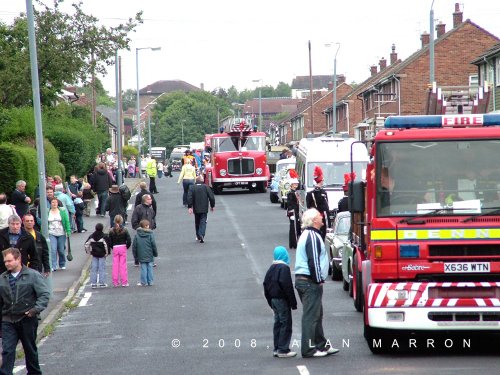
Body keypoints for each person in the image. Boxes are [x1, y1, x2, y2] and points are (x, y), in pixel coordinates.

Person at [294, 208, 339, 358]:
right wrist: (318, 279)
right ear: (314, 220)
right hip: (309, 281)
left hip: (305, 280)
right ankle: (308, 349)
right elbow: (313, 259)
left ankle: (322, 345)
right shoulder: (312, 235)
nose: (322, 218)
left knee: (316, 314)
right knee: (311, 316)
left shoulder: (308, 234)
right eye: (319, 217)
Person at [0, 247, 50, 375]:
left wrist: (35, 310)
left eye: (9, 261)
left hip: (27, 318)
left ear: (18, 259)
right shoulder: (2, 278)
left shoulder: (32, 275)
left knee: (30, 349)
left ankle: (34, 372)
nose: (7, 264)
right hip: (8, 320)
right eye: (5, 261)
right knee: (7, 350)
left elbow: (44, 294)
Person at [263, 246, 298, 358]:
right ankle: (283, 349)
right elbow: (287, 286)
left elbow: (265, 284)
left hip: (273, 299)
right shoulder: (284, 268)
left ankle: (277, 348)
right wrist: (293, 302)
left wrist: (270, 301)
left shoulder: (271, 268)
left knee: (277, 323)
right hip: (282, 299)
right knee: (286, 323)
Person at [187, 175, 215, 243]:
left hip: (196, 208)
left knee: (197, 222)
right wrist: (212, 206)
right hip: (204, 207)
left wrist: (190, 207)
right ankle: (201, 234)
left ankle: (198, 236)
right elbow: (211, 197)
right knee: (203, 221)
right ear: (202, 181)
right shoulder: (206, 187)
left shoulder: (192, 187)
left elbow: (189, 197)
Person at [48, 198, 71, 271]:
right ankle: (53, 266)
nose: (54, 204)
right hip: (51, 233)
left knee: (61, 249)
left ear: (58, 203)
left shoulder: (62, 211)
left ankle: (62, 263)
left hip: (61, 233)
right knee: (53, 249)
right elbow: (44, 223)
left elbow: (67, 221)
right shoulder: (48, 211)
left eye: (55, 202)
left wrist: (68, 231)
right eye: (52, 202)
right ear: (50, 203)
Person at [306, 166, 330, 240]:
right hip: (318, 217)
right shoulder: (316, 193)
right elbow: (325, 207)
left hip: (317, 217)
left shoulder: (312, 193)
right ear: (321, 181)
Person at [132, 219, 158, 286]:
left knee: (143, 268)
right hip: (149, 253)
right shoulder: (150, 234)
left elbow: (134, 246)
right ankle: (150, 281)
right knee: (150, 267)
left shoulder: (137, 235)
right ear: (146, 226)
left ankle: (144, 282)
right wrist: (155, 253)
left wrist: (135, 256)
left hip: (141, 254)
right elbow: (153, 245)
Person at [108, 215, 132, 287]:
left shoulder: (111, 230)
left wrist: (112, 247)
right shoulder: (125, 229)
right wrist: (126, 246)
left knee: (115, 265)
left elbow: (110, 241)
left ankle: (115, 282)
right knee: (123, 265)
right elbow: (129, 240)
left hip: (115, 247)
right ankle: (124, 282)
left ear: (114, 221)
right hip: (123, 247)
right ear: (122, 221)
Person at [84, 223, 109, 288]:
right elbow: (106, 246)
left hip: (94, 254)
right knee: (102, 268)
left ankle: (93, 283)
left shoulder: (92, 236)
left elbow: (86, 244)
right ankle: (102, 283)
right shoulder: (104, 236)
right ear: (102, 228)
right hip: (102, 254)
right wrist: (107, 253)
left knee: (94, 268)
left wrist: (89, 252)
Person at [286, 170, 301, 250]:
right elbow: (290, 204)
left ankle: (293, 243)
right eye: (295, 184)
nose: (296, 185)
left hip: (296, 212)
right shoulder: (291, 193)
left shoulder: (295, 192)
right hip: (293, 212)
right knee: (294, 228)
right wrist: (292, 213)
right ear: (292, 185)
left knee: (295, 227)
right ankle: (294, 243)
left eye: (297, 183)